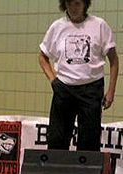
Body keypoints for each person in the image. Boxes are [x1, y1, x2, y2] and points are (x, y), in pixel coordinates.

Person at [39, 0, 119, 151]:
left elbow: (114, 60)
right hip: (63, 88)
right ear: (65, 5)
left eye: (77, 3)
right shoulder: (57, 27)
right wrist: (53, 80)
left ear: (84, 4)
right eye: (69, 4)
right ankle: (57, 173)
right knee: (57, 139)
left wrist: (111, 92)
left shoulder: (99, 25)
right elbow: (42, 57)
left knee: (89, 141)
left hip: (91, 89)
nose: (73, 8)